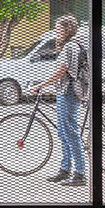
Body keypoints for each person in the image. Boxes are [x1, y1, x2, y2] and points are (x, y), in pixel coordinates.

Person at [29, 14, 88, 186]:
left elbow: (62, 70)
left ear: (68, 30)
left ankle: (80, 174)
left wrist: (41, 85)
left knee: (70, 133)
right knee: (63, 132)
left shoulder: (70, 46)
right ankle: (65, 169)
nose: (56, 31)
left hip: (69, 92)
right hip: (64, 91)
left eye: (59, 28)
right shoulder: (68, 45)